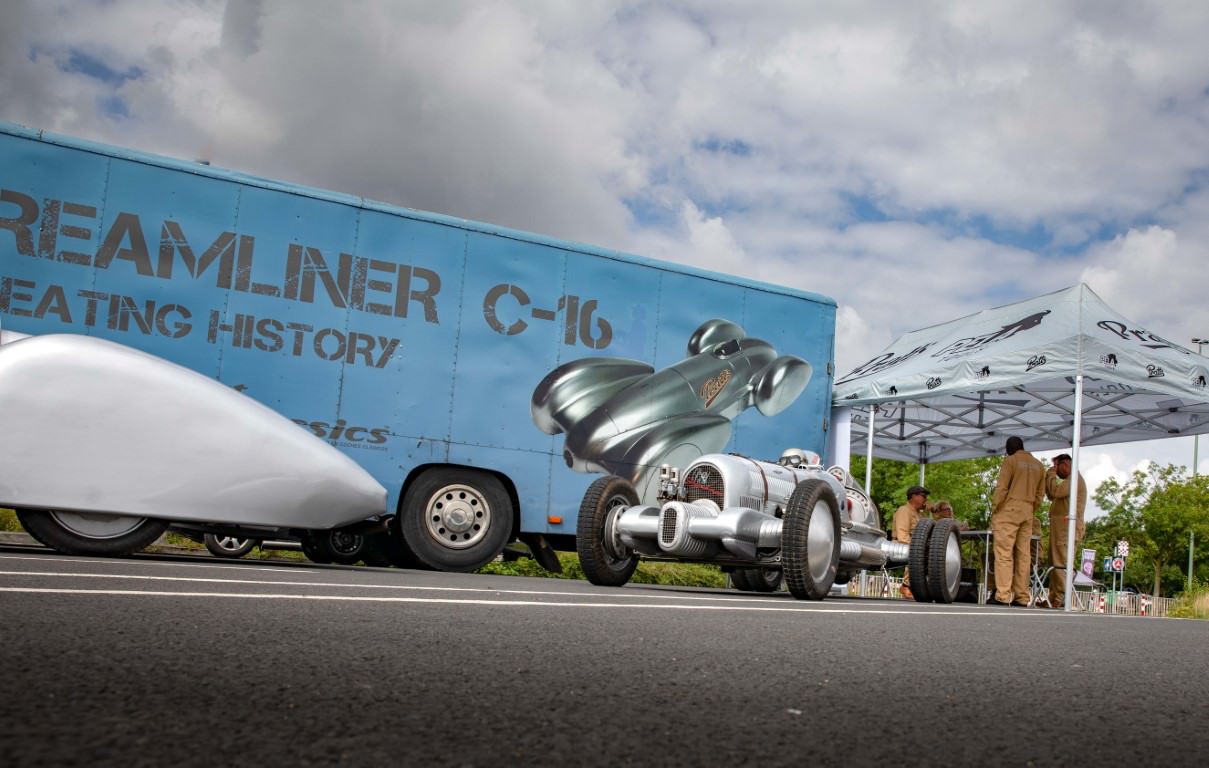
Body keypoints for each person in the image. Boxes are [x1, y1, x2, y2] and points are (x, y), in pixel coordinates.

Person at [989, 436, 1046, 606]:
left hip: (1009, 510)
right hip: (1028, 512)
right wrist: (1031, 508)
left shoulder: (1011, 461)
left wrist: (995, 507)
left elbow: (1002, 488)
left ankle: (1003, 594)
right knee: (1024, 555)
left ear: (1009, 448)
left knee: (1004, 554)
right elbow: (1040, 494)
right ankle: (1022, 596)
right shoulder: (1039, 465)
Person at [1045, 452, 1087, 609]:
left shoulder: (1073, 479)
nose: (1056, 470)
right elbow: (1052, 495)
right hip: (1061, 528)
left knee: (1061, 562)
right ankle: (1053, 597)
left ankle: (1061, 597)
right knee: (1055, 562)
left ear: (1066, 465)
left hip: (1066, 529)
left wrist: (1050, 474)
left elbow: (1055, 491)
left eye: (1057, 466)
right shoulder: (1069, 481)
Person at [892, 485, 929, 599]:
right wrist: (918, 547)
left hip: (915, 545)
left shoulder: (920, 514)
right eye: (923, 496)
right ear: (913, 496)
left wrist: (933, 510)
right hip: (901, 545)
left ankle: (923, 587)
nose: (926, 499)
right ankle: (906, 585)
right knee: (919, 553)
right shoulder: (904, 510)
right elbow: (902, 536)